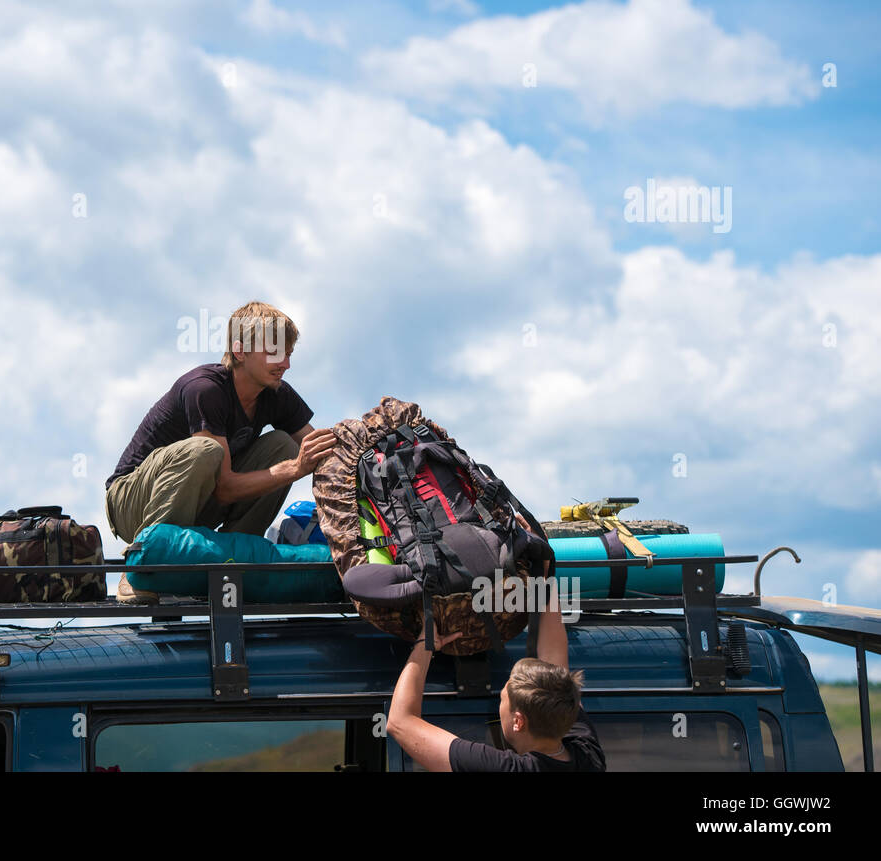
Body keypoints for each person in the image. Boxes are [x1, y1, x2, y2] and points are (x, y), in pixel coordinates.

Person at [105, 301, 337, 602]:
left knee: (285, 445)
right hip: (131, 502)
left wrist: (374, 453)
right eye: (275, 352)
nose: (286, 364)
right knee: (204, 451)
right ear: (240, 352)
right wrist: (295, 468)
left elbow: (322, 451)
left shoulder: (276, 393)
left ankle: (229, 566)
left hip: (199, 498)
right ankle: (143, 565)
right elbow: (225, 489)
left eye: (289, 354)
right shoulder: (205, 389)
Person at [387, 576, 606, 771]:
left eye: (502, 698)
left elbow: (400, 723)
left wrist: (425, 644)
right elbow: (555, 662)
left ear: (518, 722)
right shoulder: (588, 757)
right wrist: (543, 573)